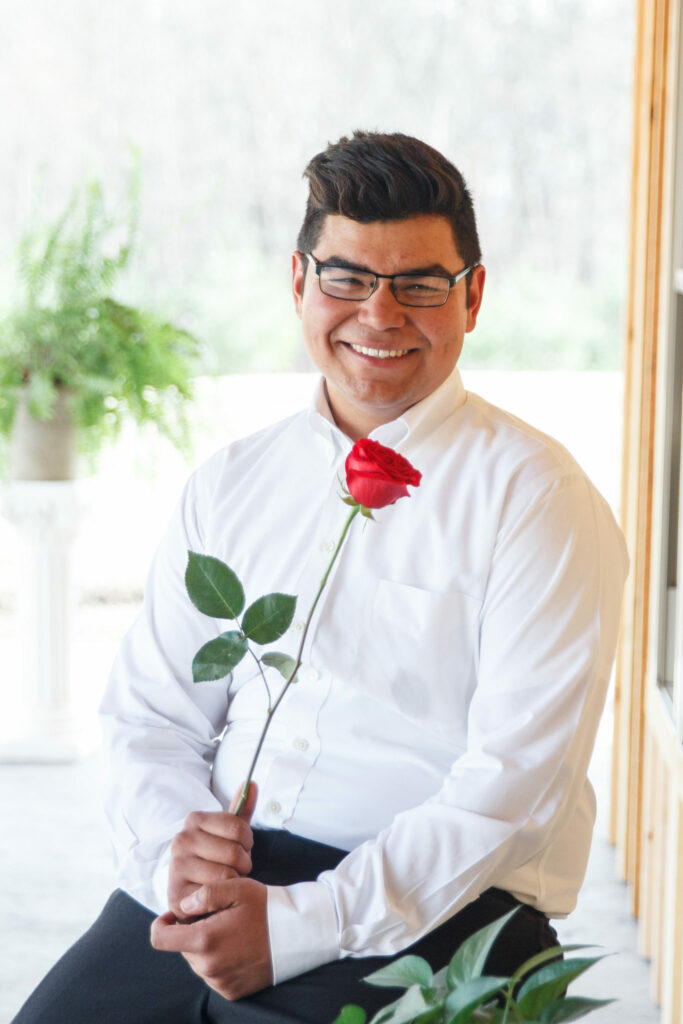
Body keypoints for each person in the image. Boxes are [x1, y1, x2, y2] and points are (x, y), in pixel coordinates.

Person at [14, 131, 629, 1024]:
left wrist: (299, 924)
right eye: (346, 278)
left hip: (440, 909)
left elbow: (512, 786)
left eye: (419, 283)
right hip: (217, 886)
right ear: (299, 282)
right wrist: (171, 864)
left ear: (474, 296)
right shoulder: (231, 482)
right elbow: (151, 717)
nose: (380, 316)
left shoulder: (538, 497)